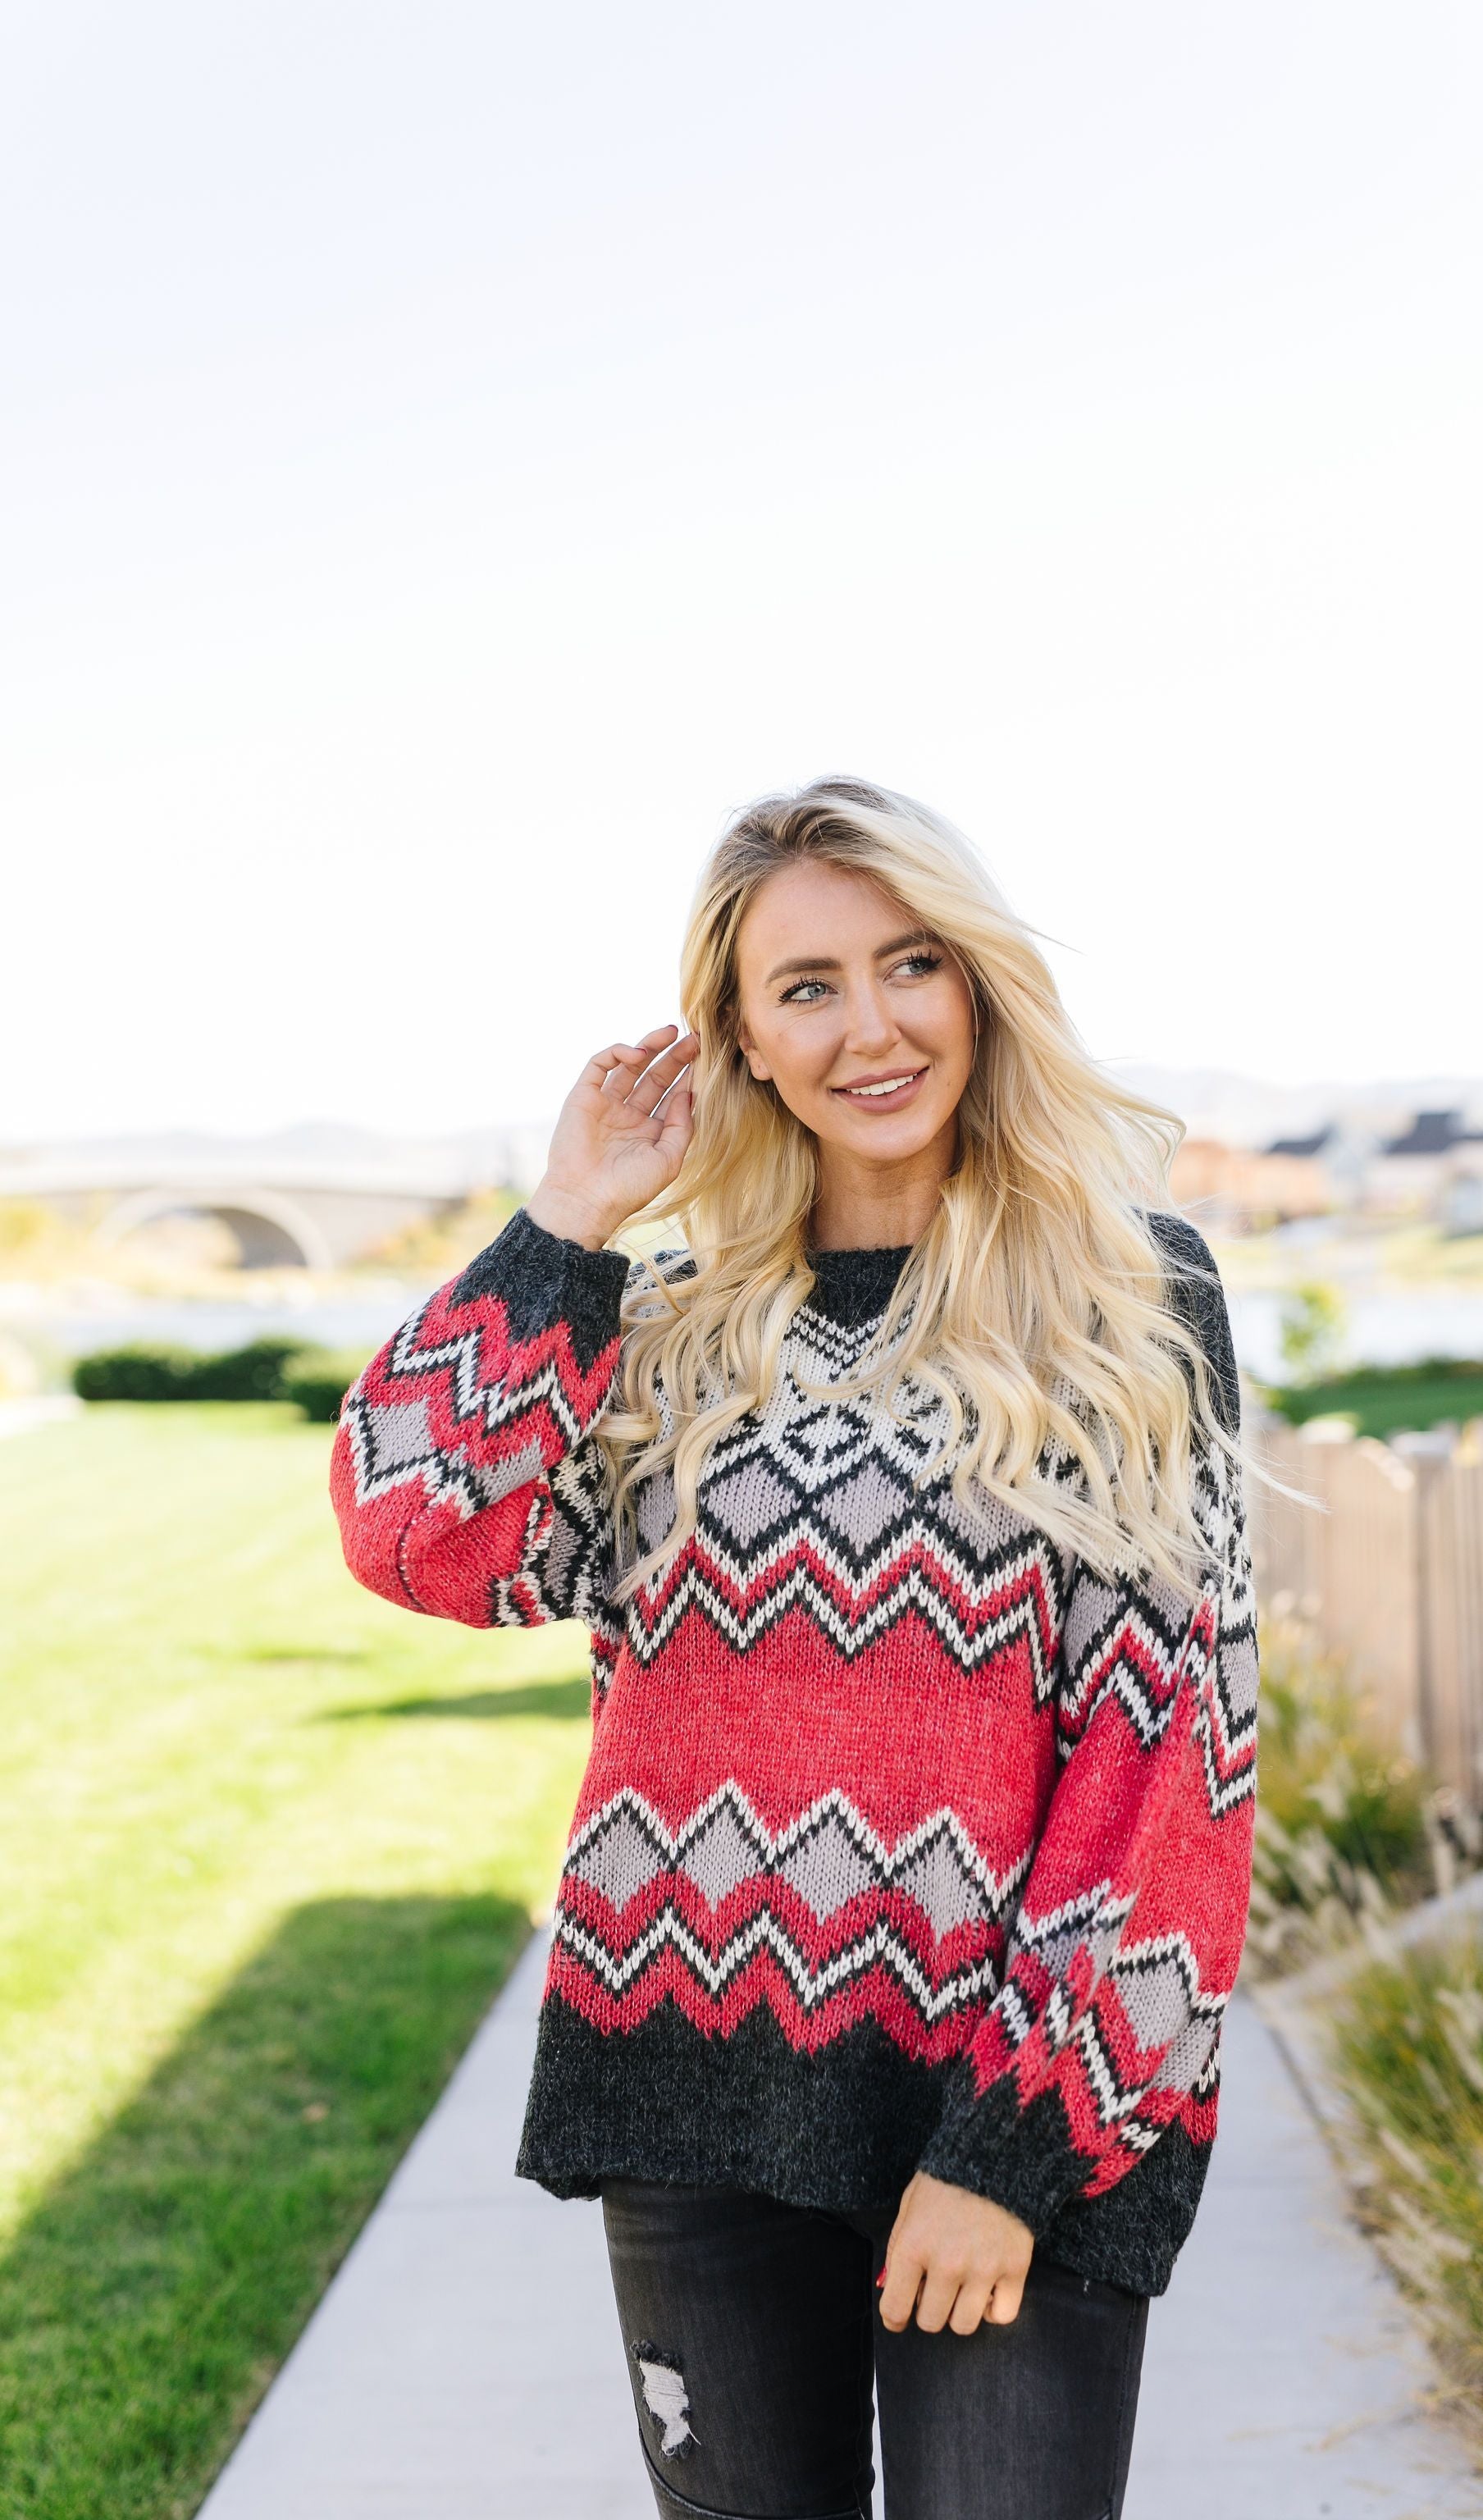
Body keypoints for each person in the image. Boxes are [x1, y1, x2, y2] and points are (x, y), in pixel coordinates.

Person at [331, 776, 1257, 2520]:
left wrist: (1013, 2149)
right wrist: (565, 1223)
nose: (872, 1027)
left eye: (912, 964)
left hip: (1001, 2112)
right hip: (694, 2082)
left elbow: (1171, 1764)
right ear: (741, 1036)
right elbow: (423, 1543)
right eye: (807, 987)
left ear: (978, 983)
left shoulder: (1131, 1300)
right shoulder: (667, 1328)